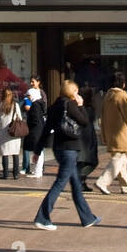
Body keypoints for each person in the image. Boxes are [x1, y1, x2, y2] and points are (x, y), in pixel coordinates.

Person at [32, 80, 101, 230]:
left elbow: (46, 130)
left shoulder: (55, 106)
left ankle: (87, 218)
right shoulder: (70, 105)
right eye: (75, 91)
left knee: (76, 184)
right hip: (70, 149)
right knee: (60, 183)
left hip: (59, 148)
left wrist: (37, 151)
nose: (78, 94)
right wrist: (81, 106)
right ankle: (42, 217)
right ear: (71, 92)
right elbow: (84, 121)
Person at [95, 71, 127, 195]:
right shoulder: (122, 96)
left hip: (111, 133)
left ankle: (126, 186)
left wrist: (104, 134)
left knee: (122, 160)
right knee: (119, 159)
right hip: (122, 133)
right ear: (123, 84)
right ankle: (103, 181)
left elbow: (103, 116)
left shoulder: (108, 96)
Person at [22, 78, 47, 178]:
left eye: (28, 96)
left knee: (38, 150)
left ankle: (38, 171)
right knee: (37, 149)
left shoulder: (35, 105)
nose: (27, 98)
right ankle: (38, 170)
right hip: (38, 128)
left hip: (36, 129)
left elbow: (35, 119)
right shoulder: (38, 103)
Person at [0, 88, 23, 180]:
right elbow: (19, 117)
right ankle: (15, 174)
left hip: (4, 131)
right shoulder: (15, 105)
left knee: (5, 153)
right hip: (14, 131)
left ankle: (5, 174)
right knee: (15, 152)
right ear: (11, 95)